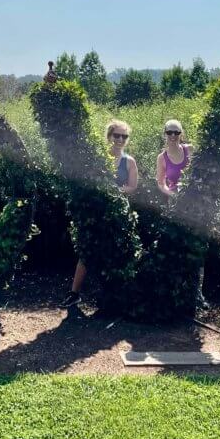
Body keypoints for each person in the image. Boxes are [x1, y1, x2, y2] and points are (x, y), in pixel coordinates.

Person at [60, 120, 139, 308]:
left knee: (116, 253)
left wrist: (113, 192)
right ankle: (74, 293)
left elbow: (132, 187)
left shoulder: (129, 162)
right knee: (86, 253)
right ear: (109, 136)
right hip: (95, 213)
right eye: (117, 135)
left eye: (124, 136)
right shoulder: (98, 159)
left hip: (118, 214)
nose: (120, 139)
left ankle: (113, 298)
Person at [156, 119, 193, 196]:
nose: (173, 135)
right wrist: (172, 194)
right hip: (176, 201)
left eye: (176, 132)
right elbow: (161, 184)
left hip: (194, 197)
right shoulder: (161, 158)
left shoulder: (190, 149)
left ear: (181, 134)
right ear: (165, 134)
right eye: (169, 132)